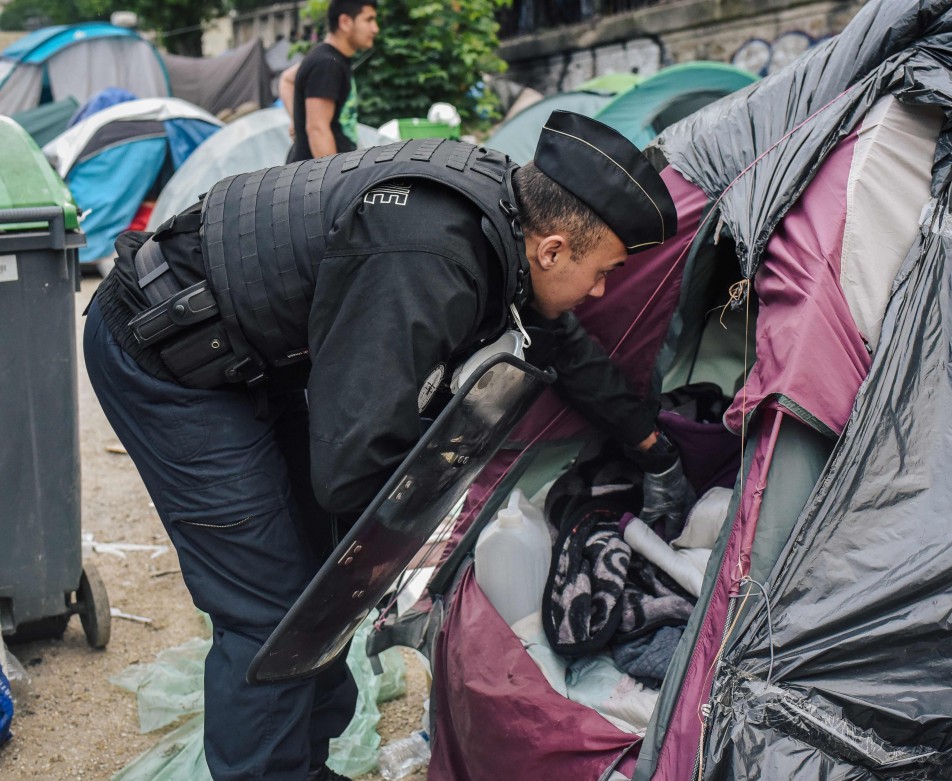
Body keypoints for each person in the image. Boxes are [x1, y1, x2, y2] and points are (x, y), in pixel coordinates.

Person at [83, 111, 687, 781]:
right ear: (552, 249)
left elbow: (563, 347)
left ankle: (302, 765)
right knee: (271, 606)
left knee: (318, 577)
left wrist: (650, 441)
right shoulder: (429, 253)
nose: (599, 291)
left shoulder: (501, 222)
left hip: (246, 351)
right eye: (602, 272)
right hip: (166, 350)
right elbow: (350, 467)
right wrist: (422, 559)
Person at [287, 0, 378, 162]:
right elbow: (317, 129)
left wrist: (297, 120)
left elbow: (287, 79)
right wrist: (336, 182)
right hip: (316, 178)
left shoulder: (329, 58)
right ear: (345, 22)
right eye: (368, 20)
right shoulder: (327, 64)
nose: (375, 28)